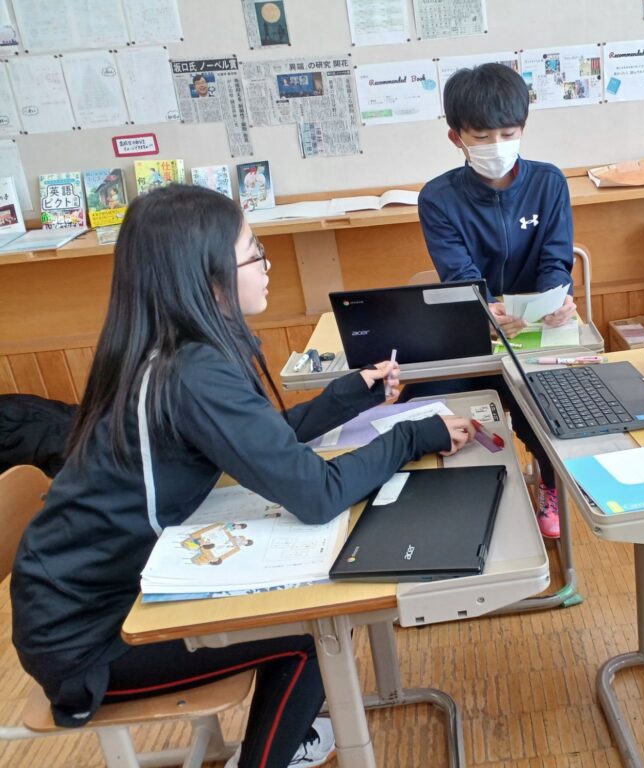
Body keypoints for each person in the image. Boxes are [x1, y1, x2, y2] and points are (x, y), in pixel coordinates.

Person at [10, 184, 475, 768]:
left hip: (92, 598)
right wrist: (415, 434)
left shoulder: (168, 350)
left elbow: (261, 444)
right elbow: (317, 494)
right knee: (313, 638)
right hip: (93, 638)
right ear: (209, 277)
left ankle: (289, 738)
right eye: (255, 253)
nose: (266, 265)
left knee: (316, 619)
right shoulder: (192, 371)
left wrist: (348, 396)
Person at [407, 62, 576, 539]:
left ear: (523, 128)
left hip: (536, 331)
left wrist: (555, 300)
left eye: (508, 133)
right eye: (482, 137)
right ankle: (447, 503)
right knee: (420, 406)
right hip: (470, 332)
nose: (497, 145)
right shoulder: (438, 198)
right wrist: (484, 308)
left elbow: (556, 259)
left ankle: (549, 483)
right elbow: (458, 273)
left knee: (553, 411)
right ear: (456, 138)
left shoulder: (549, 183)